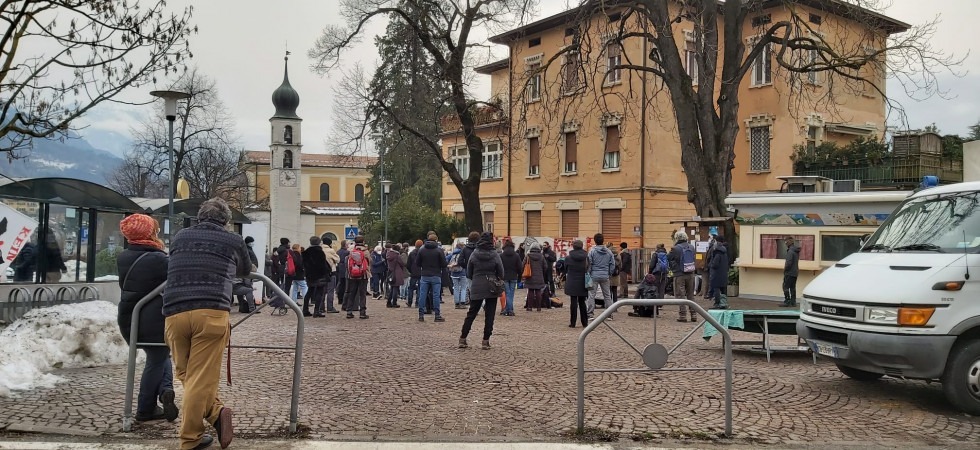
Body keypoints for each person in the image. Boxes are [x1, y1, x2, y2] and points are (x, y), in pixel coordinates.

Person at [163, 198, 248, 450]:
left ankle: (214, 414)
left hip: (174, 312)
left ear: (199, 218)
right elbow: (245, 269)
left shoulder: (180, 237)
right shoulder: (233, 240)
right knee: (199, 378)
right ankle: (192, 438)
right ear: (226, 220)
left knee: (185, 373)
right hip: (211, 312)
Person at [116, 214, 177, 423]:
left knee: (160, 355)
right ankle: (145, 408)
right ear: (148, 233)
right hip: (152, 318)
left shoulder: (124, 256)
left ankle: (165, 390)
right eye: (154, 230)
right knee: (157, 359)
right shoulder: (157, 259)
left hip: (131, 315)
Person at [459, 232, 504, 350]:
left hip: (477, 285)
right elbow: (501, 272)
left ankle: (463, 338)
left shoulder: (474, 253)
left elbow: (469, 272)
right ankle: (485, 341)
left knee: (471, 313)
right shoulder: (495, 254)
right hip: (491, 286)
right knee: (490, 315)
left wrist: (476, 277)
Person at [415, 232, 447, 322]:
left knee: (422, 295)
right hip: (436, 275)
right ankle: (437, 315)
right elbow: (444, 264)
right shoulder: (439, 250)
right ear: (436, 240)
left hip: (425, 274)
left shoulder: (422, 249)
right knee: (436, 295)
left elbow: (417, 263)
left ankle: (421, 315)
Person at [668, 231, 698, 322]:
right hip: (690, 273)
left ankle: (683, 315)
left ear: (677, 238)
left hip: (679, 274)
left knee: (680, 295)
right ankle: (694, 314)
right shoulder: (691, 247)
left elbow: (668, 258)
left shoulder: (675, 248)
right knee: (690, 295)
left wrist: (673, 267)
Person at [587, 233, 615, 319]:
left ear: (595, 241)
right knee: (607, 295)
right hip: (605, 275)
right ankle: (609, 314)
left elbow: (589, 264)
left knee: (591, 295)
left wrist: (589, 273)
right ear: (603, 240)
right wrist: (609, 273)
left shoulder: (592, 251)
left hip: (593, 275)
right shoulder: (609, 252)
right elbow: (612, 264)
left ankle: (590, 314)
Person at [302, 236, 331, 317]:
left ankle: (305, 310)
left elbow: (304, 265)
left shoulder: (305, 252)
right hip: (319, 275)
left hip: (309, 275)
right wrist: (327, 272)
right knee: (319, 292)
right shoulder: (319, 252)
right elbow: (322, 265)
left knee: (309, 292)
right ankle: (317, 311)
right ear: (318, 242)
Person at [564, 239, 589, 328]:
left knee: (573, 302)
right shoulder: (586, 257)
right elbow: (589, 268)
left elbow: (565, 269)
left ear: (573, 247)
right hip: (583, 281)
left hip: (572, 281)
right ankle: (585, 322)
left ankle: (573, 322)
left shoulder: (568, 258)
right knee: (582, 302)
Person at [344, 236, 371, 319]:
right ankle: (362, 312)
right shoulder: (365, 251)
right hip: (363, 275)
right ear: (363, 242)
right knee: (362, 294)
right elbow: (369, 262)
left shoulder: (352, 251)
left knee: (352, 293)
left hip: (352, 275)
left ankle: (349, 311)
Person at [235, 236, 259, 313]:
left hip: (237, 281)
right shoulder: (245, 251)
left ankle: (242, 307)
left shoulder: (243, 251)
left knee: (243, 289)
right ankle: (251, 308)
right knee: (248, 289)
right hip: (244, 276)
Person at [499, 239, 523, 317]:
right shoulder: (516, 255)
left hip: (504, 277)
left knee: (507, 293)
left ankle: (508, 310)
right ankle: (510, 309)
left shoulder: (501, 256)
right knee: (511, 294)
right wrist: (519, 276)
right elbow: (520, 267)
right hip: (513, 276)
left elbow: (499, 267)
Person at [523, 243, 547, 311]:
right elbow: (545, 266)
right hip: (539, 276)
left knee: (530, 291)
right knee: (538, 291)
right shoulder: (541, 256)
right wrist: (542, 273)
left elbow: (523, 264)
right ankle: (538, 307)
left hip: (529, 275)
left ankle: (530, 307)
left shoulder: (528, 256)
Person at [708, 235, 731, 309]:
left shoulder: (717, 253)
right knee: (723, 289)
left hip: (716, 274)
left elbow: (715, 264)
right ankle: (723, 303)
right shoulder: (725, 251)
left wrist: (710, 265)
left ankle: (717, 303)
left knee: (716, 288)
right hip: (723, 273)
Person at [320, 237, 341, 313]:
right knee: (330, 290)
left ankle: (321, 307)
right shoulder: (331, 250)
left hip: (321, 273)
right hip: (331, 272)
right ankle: (330, 307)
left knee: (322, 291)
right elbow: (338, 259)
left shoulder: (319, 250)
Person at [287, 244, 309, 316]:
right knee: (304, 286)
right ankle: (306, 300)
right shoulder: (298, 255)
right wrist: (303, 268)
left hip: (293, 273)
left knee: (295, 288)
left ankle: (294, 301)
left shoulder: (292, 254)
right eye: (299, 247)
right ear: (297, 248)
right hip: (299, 273)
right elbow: (299, 264)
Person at [781, 236, 801, 307]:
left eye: (786, 241)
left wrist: (785, 270)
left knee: (785, 287)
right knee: (792, 287)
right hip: (795, 272)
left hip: (789, 272)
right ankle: (793, 302)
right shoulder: (796, 251)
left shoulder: (790, 251)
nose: (785, 243)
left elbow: (788, 263)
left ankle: (787, 301)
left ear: (789, 242)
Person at [386, 243, 406, 308]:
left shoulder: (388, 254)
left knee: (392, 288)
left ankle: (389, 302)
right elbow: (402, 263)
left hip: (391, 272)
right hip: (397, 272)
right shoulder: (397, 255)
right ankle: (394, 302)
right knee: (395, 288)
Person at [448, 242, 467, 309]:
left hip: (453, 273)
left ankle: (456, 303)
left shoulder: (452, 253)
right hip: (462, 272)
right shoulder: (463, 253)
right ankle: (463, 302)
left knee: (456, 288)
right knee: (463, 288)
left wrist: (450, 266)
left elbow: (446, 259)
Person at [405, 240, 422, 308]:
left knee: (411, 288)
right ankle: (417, 303)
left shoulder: (411, 253)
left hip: (413, 273)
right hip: (421, 273)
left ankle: (409, 302)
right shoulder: (422, 253)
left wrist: (411, 271)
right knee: (420, 288)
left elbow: (408, 264)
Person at [336, 240, 350, 311]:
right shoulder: (347, 252)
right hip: (344, 269)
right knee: (345, 286)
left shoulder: (338, 251)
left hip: (339, 269)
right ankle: (344, 300)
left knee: (340, 284)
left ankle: (340, 299)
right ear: (345, 245)